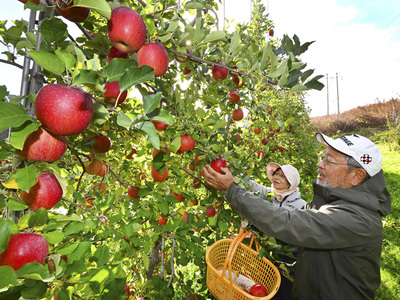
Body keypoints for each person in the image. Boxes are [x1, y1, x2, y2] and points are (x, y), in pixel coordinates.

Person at [202, 132, 391, 300]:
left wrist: (232, 191)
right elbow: (287, 216)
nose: (320, 164)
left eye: (329, 161)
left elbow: (290, 223)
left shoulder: (357, 219)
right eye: (322, 157)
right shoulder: (331, 200)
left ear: (356, 176)